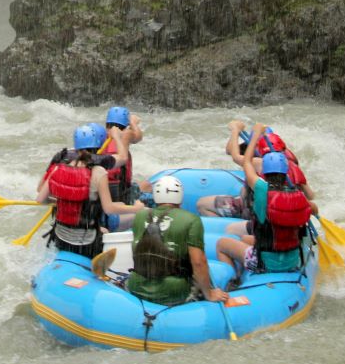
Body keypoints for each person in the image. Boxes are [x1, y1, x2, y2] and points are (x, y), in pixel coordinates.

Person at [216, 124, 312, 279]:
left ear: (264, 171)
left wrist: (256, 135)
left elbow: (246, 162)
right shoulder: (298, 196)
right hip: (292, 260)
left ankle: (231, 281)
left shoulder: (262, 189)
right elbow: (312, 205)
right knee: (246, 239)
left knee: (222, 244)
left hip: (266, 263)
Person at [37, 124, 145, 257]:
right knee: (136, 217)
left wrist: (63, 199)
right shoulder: (98, 172)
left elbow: (40, 199)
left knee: (109, 219)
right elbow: (109, 209)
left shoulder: (58, 168)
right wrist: (136, 208)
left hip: (60, 237)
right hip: (87, 243)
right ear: (99, 145)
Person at [125, 175, 228, 306]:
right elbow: (198, 262)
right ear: (180, 197)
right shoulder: (191, 220)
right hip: (173, 292)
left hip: (136, 285)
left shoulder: (140, 216)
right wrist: (209, 293)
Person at [199, 121, 317, 217]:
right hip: (280, 209)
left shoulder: (260, 162)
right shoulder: (291, 164)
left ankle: (223, 229)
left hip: (253, 210)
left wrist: (235, 130)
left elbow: (234, 156)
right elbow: (310, 196)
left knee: (202, 204)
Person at [101, 106, 145, 211]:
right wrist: (133, 123)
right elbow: (138, 136)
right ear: (126, 124)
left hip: (103, 186)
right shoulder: (126, 134)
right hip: (120, 189)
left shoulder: (100, 135)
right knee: (146, 186)